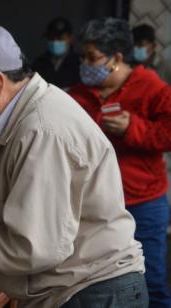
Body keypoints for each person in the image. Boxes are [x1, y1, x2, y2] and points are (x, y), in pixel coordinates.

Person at [0, 21, 147, 307]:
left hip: (91, 292)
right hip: (71, 288)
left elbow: (31, 247)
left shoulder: (41, 130)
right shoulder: (15, 121)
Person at [67, 17, 171, 307]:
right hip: (92, 206)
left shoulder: (152, 87)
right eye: (83, 57)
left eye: (92, 57)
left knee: (151, 282)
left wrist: (133, 129)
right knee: (94, 283)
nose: (86, 64)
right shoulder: (78, 94)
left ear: (116, 58)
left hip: (142, 203)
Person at [32, 17, 80, 90]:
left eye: (60, 38)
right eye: (51, 38)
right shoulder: (39, 63)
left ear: (71, 38)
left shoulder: (79, 63)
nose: (55, 42)